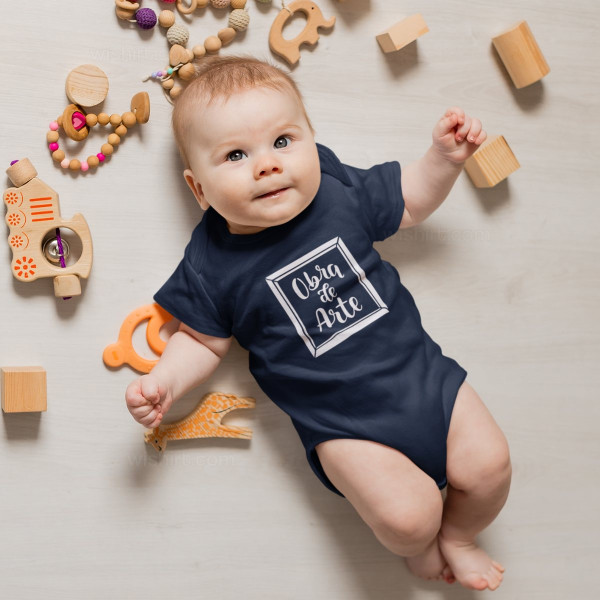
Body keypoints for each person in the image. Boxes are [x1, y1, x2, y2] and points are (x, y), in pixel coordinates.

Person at [125, 55, 511, 591]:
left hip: (424, 379)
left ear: (312, 139)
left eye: (283, 141)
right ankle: (423, 542)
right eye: (236, 155)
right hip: (345, 427)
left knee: (491, 467)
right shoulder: (211, 260)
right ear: (199, 190)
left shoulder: (334, 190)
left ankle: (461, 536)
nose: (267, 165)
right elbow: (203, 342)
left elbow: (410, 203)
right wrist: (164, 382)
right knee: (407, 518)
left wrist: (443, 159)